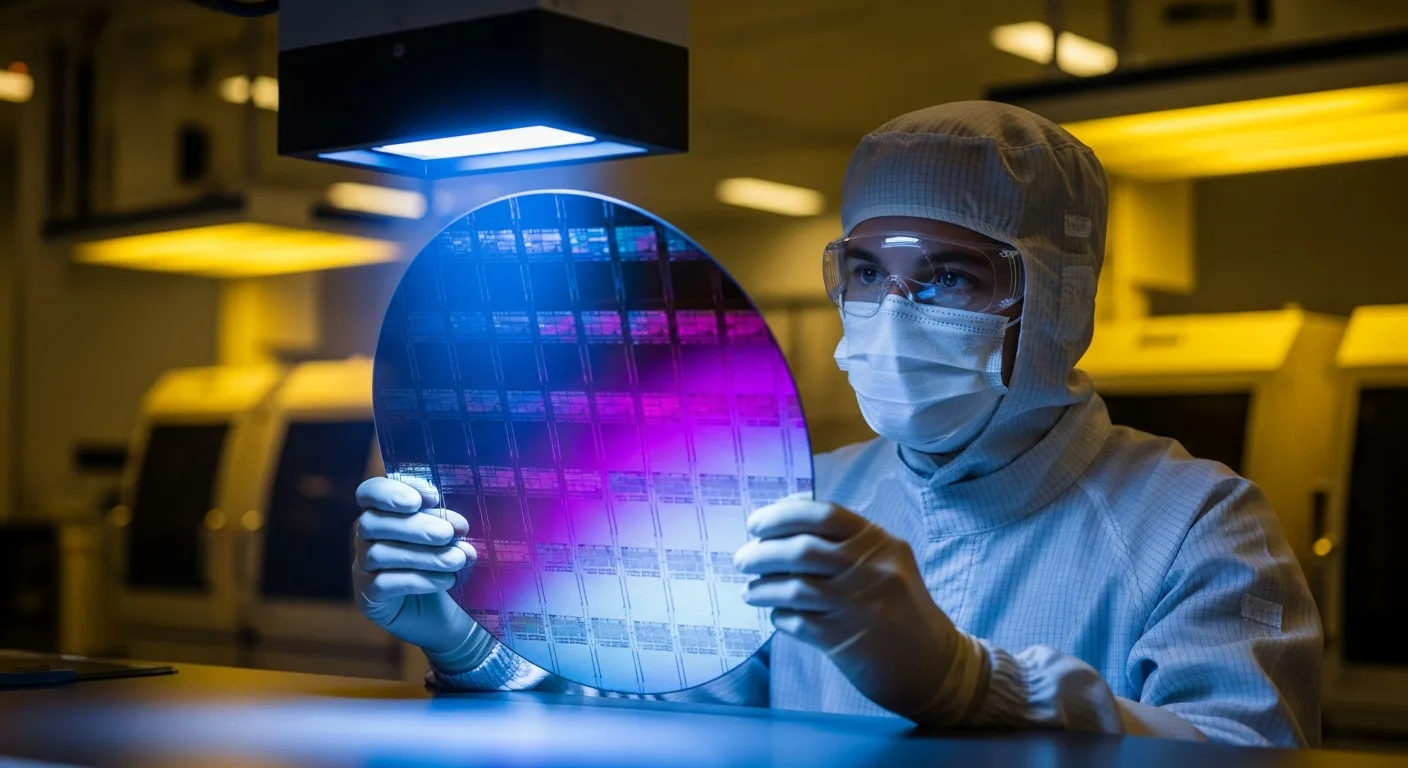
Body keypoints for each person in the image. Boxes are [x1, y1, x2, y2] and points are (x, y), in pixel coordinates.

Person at [352, 101, 1320, 746]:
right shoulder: (805, 493)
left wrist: (968, 684)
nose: (893, 315)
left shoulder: (1197, 523)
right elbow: (658, 730)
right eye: (867, 274)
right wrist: (470, 644)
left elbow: (1247, 753)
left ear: (1055, 300)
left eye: (947, 277)